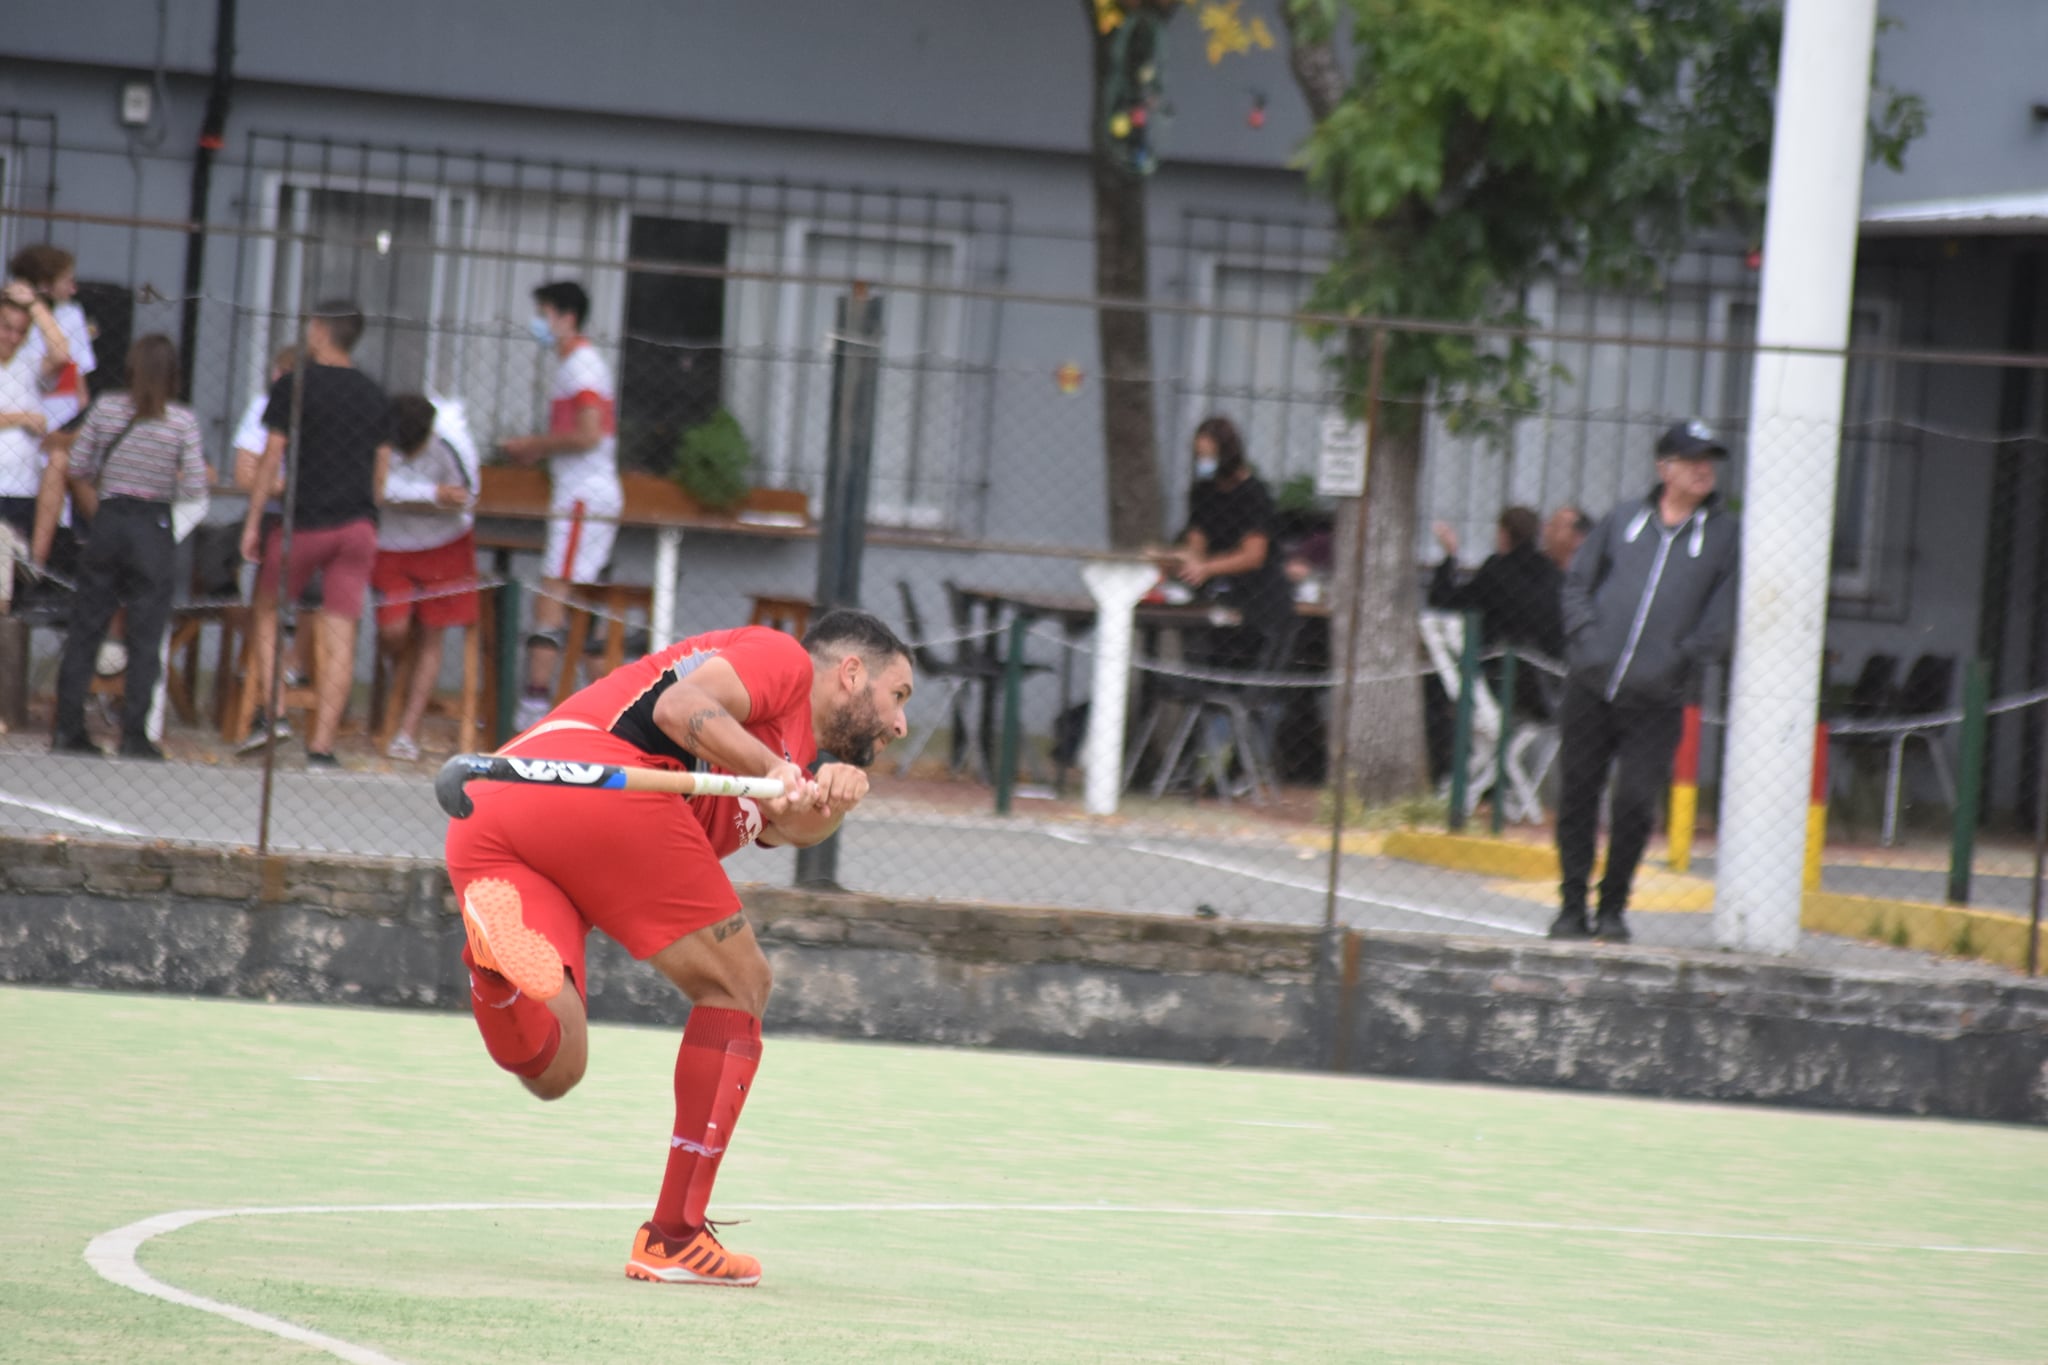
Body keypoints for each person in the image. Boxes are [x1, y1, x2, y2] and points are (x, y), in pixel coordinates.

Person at [443, 609, 914, 1287]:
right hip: (589, 780)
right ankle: (673, 1236)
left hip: (496, 809)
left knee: (555, 1065)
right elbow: (679, 705)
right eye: (897, 696)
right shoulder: (780, 660)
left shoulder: (797, 752)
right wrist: (771, 766)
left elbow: (796, 823)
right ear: (849, 673)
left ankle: (493, 968)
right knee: (739, 984)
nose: (900, 724)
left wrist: (838, 795)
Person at [1551, 420, 1741, 943]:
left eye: (1710, 460)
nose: (1704, 469)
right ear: (1665, 468)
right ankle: (1571, 906)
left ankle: (1613, 906)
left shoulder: (1724, 537)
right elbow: (1577, 586)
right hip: (1591, 686)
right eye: (1692, 458)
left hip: (1658, 698)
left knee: (1635, 800)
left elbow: (1719, 619)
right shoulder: (1622, 520)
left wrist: (1680, 663)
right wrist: (1587, 642)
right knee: (1578, 794)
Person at [237, 301, 392, 767]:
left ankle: (276, 710)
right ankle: (322, 746)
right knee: (340, 631)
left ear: (321, 332)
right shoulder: (375, 394)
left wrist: (252, 522)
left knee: (266, 608)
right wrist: (368, 511)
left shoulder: (294, 386)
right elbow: (380, 475)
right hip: (356, 526)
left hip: (302, 522)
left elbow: (271, 457)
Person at [50, 335, 208, 759]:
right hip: (151, 524)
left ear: (132, 367)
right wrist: (162, 477)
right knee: (146, 632)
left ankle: (68, 729)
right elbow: (195, 483)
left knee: (86, 627)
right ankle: (134, 734)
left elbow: (79, 464)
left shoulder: (105, 407)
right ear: (174, 373)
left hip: (110, 518)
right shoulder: (181, 421)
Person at [497, 280, 621, 732]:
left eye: (544, 313)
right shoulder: (577, 364)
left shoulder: (581, 366)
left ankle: (534, 704)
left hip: (583, 497)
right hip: (582, 494)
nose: (539, 324)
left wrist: (533, 445)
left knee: (554, 593)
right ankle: (611, 714)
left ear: (566, 317)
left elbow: (589, 434)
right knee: (581, 599)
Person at [372, 393, 478, 761]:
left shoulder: (451, 442)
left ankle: (408, 731)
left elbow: (469, 494)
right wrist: (431, 493)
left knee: (433, 634)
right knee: (394, 630)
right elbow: (376, 488)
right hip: (392, 546)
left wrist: (445, 497)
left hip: (444, 546)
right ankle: (397, 672)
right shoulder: (380, 439)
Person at [1163, 415, 1293, 667]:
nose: (1204, 463)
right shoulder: (1203, 492)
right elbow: (1196, 541)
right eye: (1199, 456)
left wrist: (1207, 568)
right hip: (1216, 595)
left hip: (1256, 598)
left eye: (1209, 456)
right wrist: (1181, 562)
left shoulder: (1253, 494)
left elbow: (1254, 555)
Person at [1428, 505, 1565, 721]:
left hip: (1498, 674)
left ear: (1503, 534)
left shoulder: (1497, 570)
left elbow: (1445, 600)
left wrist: (1450, 555)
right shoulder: (1554, 575)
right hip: (1550, 675)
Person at [13, 245, 97, 578]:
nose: (74, 288)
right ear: (45, 284)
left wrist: (80, 426)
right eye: (67, 280)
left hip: (58, 422)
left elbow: (77, 383)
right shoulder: (14, 318)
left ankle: (37, 564)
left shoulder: (70, 315)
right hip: (20, 420)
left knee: (64, 461)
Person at [0, 281, 69, 556]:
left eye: (21, 331)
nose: (13, 337)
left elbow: (61, 354)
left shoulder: (28, 363)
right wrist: (21, 417)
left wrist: (35, 305)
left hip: (21, 490)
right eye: (6, 327)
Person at [1542, 504, 1593, 574]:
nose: (1547, 530)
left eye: (1556, 526)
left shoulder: (1587, 570)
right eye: (1550, 524)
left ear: (1578, 536)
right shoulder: (1538, 563)